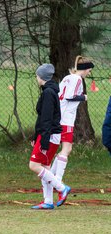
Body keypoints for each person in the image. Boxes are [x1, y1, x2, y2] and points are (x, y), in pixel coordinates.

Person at [50, 56, 94, 201]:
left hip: (61, 116)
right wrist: (83, 97)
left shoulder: (68, 77)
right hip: (66, 118)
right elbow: (69, 97)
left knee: (65, 149)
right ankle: (57, 182)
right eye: (89, 70)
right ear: (85, 69)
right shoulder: (77, 79)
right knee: (66, 149)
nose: (89, 73)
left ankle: (53, 180)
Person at [29, 63, 71, 210]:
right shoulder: (50, 91)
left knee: (34, 165)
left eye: (37, 75)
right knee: (45, 167)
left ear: (41, 77)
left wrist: (44, 141)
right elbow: (42, 118)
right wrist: (36, 135)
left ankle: (61, 188)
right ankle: (48, 201)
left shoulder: (48, 93)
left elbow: (46, 119)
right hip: (50, 134)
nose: (36, 78)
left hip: (49, 135)